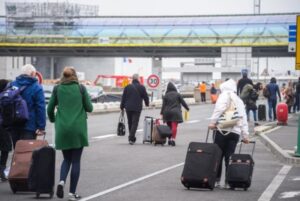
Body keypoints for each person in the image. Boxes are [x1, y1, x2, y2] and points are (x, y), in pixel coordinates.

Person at [47, 67, 93, 200]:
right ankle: (72, 194)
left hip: (62, 129)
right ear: (75, 76)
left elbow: (49, 109)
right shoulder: (81, 88)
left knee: (66, 159)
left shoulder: (57, 89)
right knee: (76, 161)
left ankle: (61, 181)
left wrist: (53, 120)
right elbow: (90, 108)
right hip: (78, 129)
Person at [208, 78, 249, 188]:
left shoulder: (223, 96)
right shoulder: (239, 100)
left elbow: (219, 109)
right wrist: (245, 135)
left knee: (218, 155)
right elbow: (243, 118)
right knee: (229, 156)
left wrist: (212, 123)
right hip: (235, 132)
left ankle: (216, 181)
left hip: (222, 130)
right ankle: (228, 181)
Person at [10, 64, 46, 148]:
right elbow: (40, 107)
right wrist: (41, 126)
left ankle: (17, 161)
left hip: (14, 124)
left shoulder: (12, 84)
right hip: (29, 125)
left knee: (17, 151)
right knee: (27, 153)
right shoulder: (37, 87)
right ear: (33, 73)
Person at [120, 74, 149, 145]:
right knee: (135, 123)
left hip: (128, 107)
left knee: (130, 122)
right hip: (137, 107)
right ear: (138, 79)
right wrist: (147, 103)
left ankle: (131, 138)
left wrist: (122, 107)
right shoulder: (142, 87)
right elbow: (146, 96)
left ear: (132, 79)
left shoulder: (127, 87)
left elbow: (123, 97)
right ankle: (131, 137)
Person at [160, 82, 189, 146]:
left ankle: (169, 139)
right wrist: (187, 108)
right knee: (174, 126)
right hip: (175, 112)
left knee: (169, 127)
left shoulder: (166, 95)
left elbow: (163, 106)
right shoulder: (178, 94)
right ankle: (173, 139)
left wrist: (161, 113)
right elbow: (183, 102)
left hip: (167, 113)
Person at [0, 79, 12, 182]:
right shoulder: (5, 98)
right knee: (5, 149)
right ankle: (1, 172)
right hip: (3, 127)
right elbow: (7, 115)